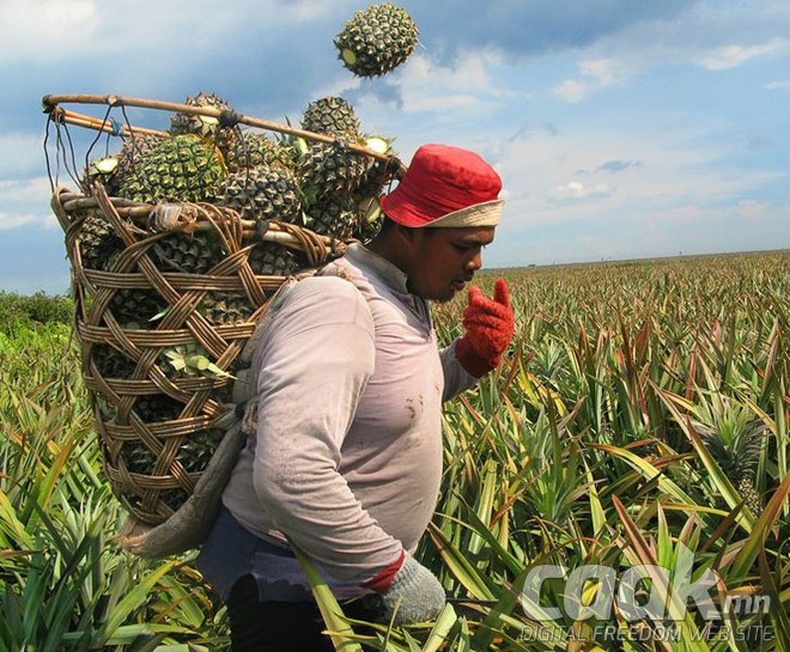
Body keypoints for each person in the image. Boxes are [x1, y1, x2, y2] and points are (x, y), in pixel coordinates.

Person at [195, 142, 516, 651]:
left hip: (342, 580)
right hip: (293, 588)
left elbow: (388, 403)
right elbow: (290, 473)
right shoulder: (337, 306)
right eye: (463, 246)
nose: (476, 262)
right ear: (410, 229)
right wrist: (388, 570)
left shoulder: (403, 294)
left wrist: (468, 360)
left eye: (483, 247)